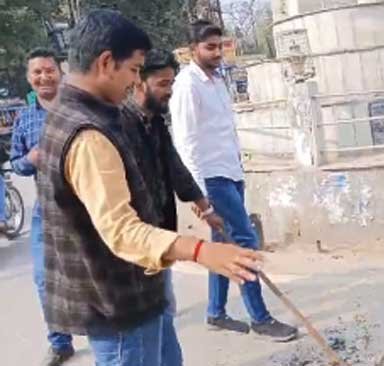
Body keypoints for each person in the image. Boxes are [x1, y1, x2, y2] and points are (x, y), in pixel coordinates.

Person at [37, 10, 263, 365]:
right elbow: (121, 230)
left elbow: (171, 165)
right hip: (120, 302)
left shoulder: (81, 115)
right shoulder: (88, 133)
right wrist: (201, 251)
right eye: (132, 70)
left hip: (139, 291)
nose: (134, 82)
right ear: (106, 62)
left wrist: (201, 205)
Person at [170, 20, 298, 341]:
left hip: (231, 172)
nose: (216, 53)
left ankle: (215, 312)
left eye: (219, 46)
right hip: (211, 179)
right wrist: (198, 196)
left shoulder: (217, 80)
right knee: (243, 242)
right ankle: (261, 317)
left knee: (222, 244)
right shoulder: (188, 85)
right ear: (191, 51)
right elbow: (185, 144)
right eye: (209, 47)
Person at [120, 48, 227, 365]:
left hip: (160, 236)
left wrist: (205, 208)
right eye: (163, 84)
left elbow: (175, 167)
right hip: (135, 242)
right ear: (139, 82)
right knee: (143, 328)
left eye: (172, 83)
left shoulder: (154, 121)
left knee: (164, 312)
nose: (170, 91)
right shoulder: (120, 126)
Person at [10, 48, 74, 366]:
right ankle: (60, 342)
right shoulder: (24, 118)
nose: (43, 77)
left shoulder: (77, 108)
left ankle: (114, 328)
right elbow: (16, 163)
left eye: (49, 70)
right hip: (45, 210)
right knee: (44, 278)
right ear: (29, 78)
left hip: (85, 209)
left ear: (59, 73)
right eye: (37, 72)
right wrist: (28, 159)